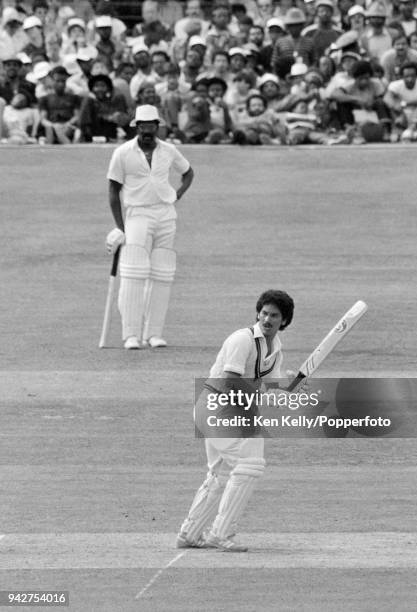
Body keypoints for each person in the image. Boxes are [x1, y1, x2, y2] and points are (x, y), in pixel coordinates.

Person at [176, 289, 294, 552]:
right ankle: (220, 533)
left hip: (233, 410)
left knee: (220, 474)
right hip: (216, 404)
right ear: (257, 314)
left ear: (284, 321)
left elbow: (269, 383)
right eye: (264, 313)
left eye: (274, 315)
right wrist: (263, 397)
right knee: (250, 464)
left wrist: (292, 384)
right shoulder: (242, 339)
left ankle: (190, 533)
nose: (267, 319)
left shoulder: (275, 347)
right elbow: (231, 380)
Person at [105, 104, 194, 349]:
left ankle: (153, 333)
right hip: (137, 214)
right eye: (142, 126)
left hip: (166, 214)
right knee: (134, 273)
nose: (146, 130)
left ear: (157, 126)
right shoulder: (123, 152)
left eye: (150, 126)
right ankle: (130, 334)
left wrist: (177, 195)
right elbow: (113, 191)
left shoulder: (168, 150)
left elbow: (188, 173)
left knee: (162, 274)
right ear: (136, 127)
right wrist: (120, 227)